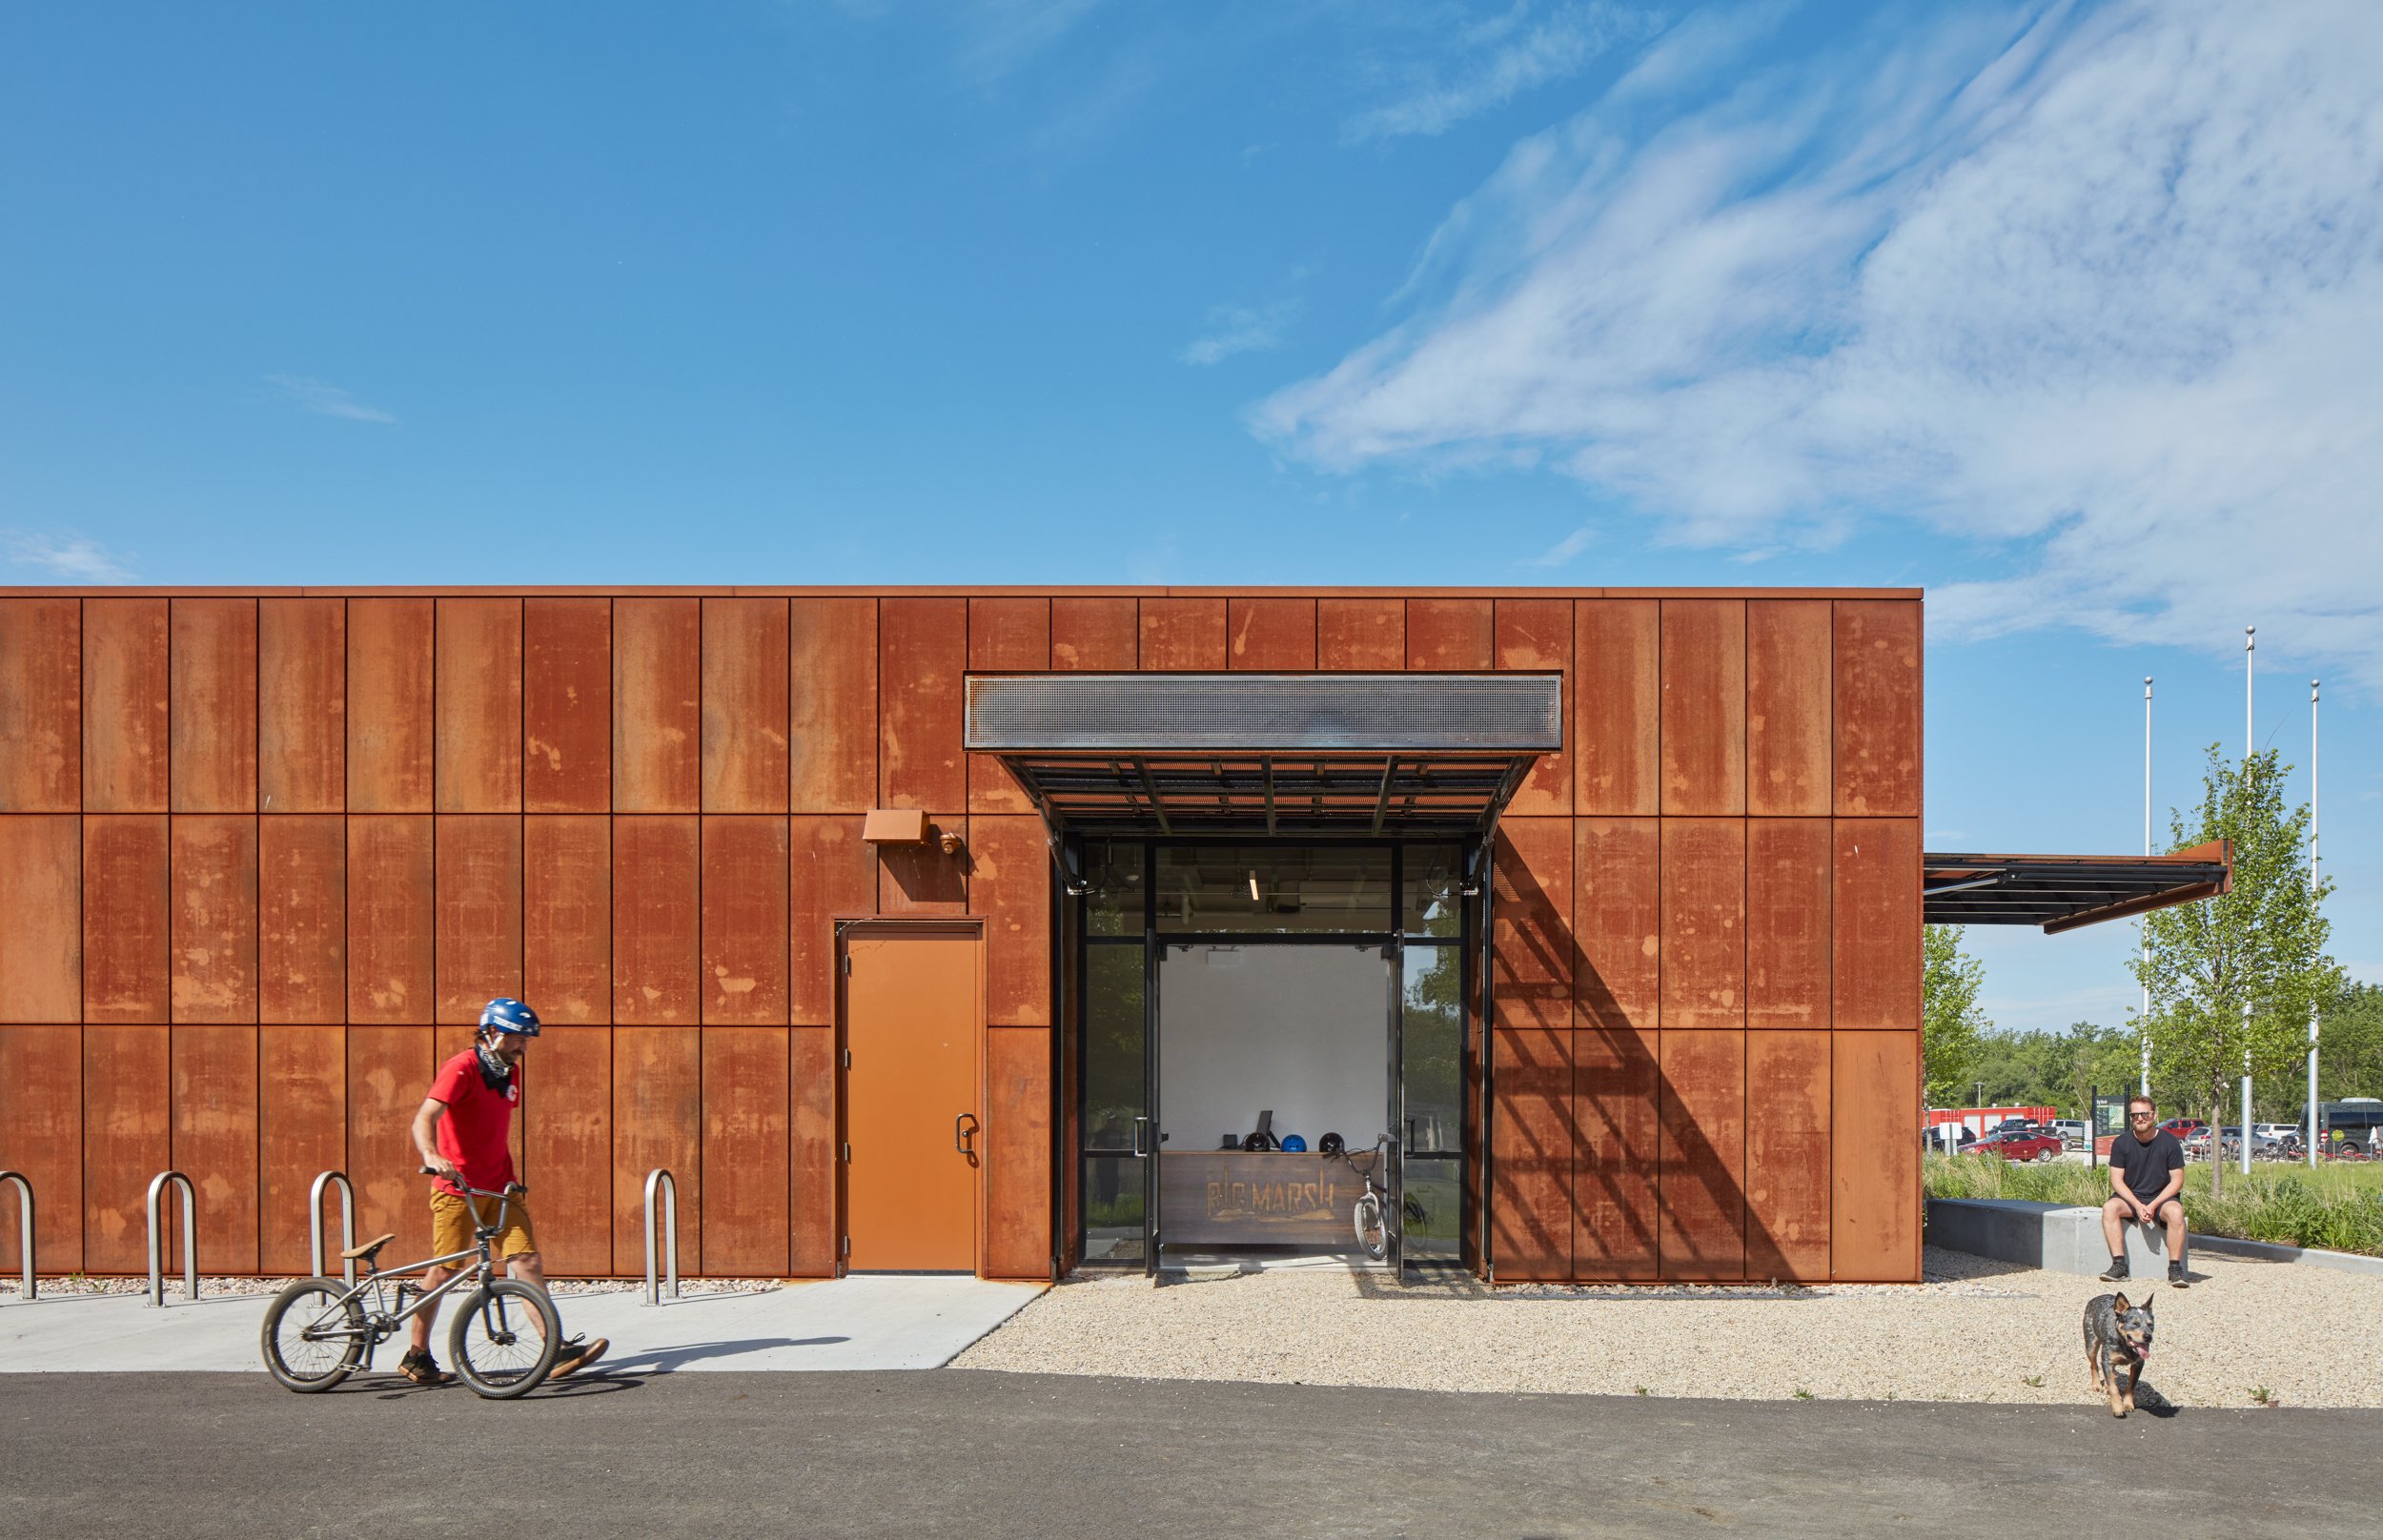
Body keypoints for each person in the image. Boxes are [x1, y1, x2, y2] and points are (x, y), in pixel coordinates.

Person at [400, 997, 608, 1386]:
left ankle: (554, 1349)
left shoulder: (509, 1073)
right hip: (457, 1189)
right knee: (446, 1270)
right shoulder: (461, 1068)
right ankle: (416, 1355)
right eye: (517, 1038)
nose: (523, 1047)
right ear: (492, 1032)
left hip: (500, 1188)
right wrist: (431, 1153)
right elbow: (425, 1117)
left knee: (526, 1260)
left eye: (527, 1041)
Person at [2099, 1095, 2190, 1288]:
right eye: (2135, 1115)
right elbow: (2116, 1180)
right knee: (2109, 1208)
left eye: (2144, 1114)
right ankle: (2119, 1265)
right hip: (2131, 1199)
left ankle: (2175, 1268)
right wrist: (2138, 1205)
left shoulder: (2170, 1142)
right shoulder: (2121, 1143)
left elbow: (2177, 1180)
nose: (2140, 1118)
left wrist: (2154, 1204)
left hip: (2162, 1198)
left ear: (2154, 1115)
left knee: (2176, 1212)